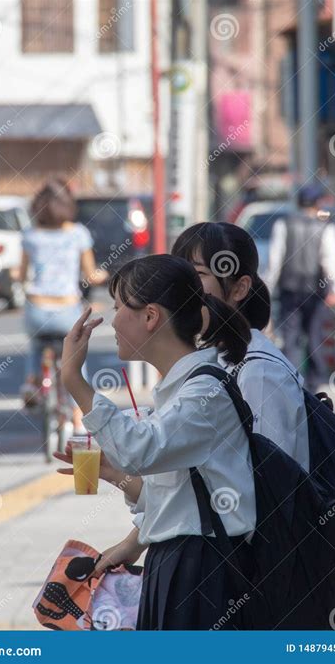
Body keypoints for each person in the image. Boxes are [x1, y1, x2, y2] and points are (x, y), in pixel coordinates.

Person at [59, 254, 257, 630]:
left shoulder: (204, 393)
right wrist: (112, 473)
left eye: (118, 307)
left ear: (150, 317)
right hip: (182, 562)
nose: (112, 319)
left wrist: (74, 380)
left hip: (203, 568)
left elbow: (139, 451)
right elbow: (174, 496)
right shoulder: (181, 390)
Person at [172, 221, 310, 471]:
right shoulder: (212, 358)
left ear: (240, 288)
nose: (181, 288)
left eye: (197, 275)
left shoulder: (259, 373)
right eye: (179, 274)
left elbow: (274, 485)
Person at [18, 178, 108, 433]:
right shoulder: (78, 233)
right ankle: (80, 416)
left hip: (37, 307)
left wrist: (14, 275)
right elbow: (90, 275)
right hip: (67, 309)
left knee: (36, 344)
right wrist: (104, 275)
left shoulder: (30, 235)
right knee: (75, 357)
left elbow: (22, 274)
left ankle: (32, 381)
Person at [265, 183, 335, 393]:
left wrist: (268, 287)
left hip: (289, 290)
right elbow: (330, 260)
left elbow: (275, 261)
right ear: (317, 202)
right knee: (314, 337)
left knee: (290, 339)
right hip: (315, 292)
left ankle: (291, 382)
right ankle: (313, 385)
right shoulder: (325, 227)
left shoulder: (284, 224)